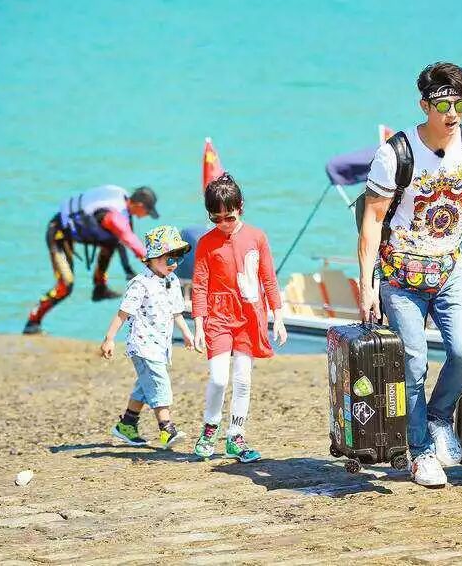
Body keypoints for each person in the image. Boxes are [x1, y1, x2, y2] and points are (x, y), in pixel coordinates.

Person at [357, 62, 462, 487]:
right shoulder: (395, 154)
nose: (452, 114)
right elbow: (372, 220)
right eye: (444, 105)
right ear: (424, 105)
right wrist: (368, 285)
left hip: (449, 270)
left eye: (460, 105)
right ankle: (421, 452)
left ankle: (438, 416)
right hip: (401, 276)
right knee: (413, 364)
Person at [190, 173, 288, 463]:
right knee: (219, 378)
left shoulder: (257, 237)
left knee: (243, 379)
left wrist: (278, 317)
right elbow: (199, 285)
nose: (223, 224)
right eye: (216, 218)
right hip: (218, 316)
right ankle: (210, 428)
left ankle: (236, 436)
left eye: (229, 217)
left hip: (249, 316)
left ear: (240, 208)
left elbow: (268, 279)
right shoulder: (206, 243)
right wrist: (198, 325)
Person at [100, 225, 195, 448]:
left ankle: (126, 425)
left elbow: (176, 312)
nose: (174, 264)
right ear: (152, 258)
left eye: (178, 259)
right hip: (142, 345)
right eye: (169, 258)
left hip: (161, 345)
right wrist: (109, 338)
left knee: (145, 385)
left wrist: (187, 333)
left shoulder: (172, 281)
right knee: (159, 383)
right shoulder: (140, 284)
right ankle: (166, 429)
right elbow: (123, 313)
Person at [23, 185, 160, 334]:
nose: (146, 215)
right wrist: (154, 265)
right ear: (140, 206)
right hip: (58, 234)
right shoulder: (114, 216)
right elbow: (129, 240)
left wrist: (129, 270)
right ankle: (32, 322)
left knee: (111, 241)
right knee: (66, 284)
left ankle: (99, 287)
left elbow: (122, 240)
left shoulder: (122, 204)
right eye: (147, 212)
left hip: (74, 232)